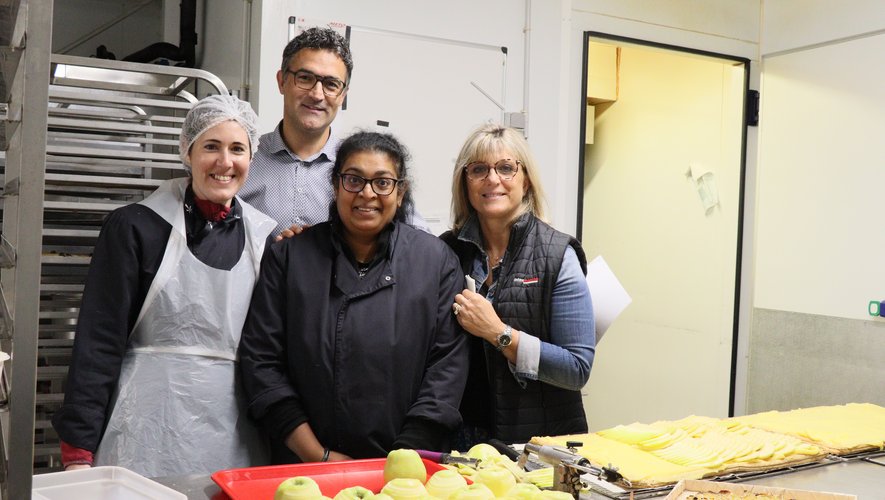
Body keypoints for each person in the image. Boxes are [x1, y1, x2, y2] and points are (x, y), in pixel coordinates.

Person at [51, 94, 275, 476]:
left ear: (251, 158)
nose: (225, 162)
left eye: (238, 148)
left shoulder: (265, 237)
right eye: (211, 147)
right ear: (187, 152)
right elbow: (99, 340)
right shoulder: (136, 227)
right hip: (144, 430)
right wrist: (78, 448)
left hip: (235, 438)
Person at [239, 131, 468, 463]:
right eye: (354, 180)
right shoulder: (289, 257)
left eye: (382, 182)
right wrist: (317, 455)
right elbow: (261, 362)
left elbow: (447, 368)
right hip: (302, 465)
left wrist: (400, 461)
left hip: (406, 471)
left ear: (400, 192)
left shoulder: (436, 262)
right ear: (334, 185)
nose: (367, 194)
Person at [440, 124, 596, 448]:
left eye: (506, 168)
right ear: (465, 181)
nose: (492, 179)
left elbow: (577, 368)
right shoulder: (447, 251)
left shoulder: (557, 254)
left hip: (538, 444)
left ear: (525, 180)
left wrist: (499, 333)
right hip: (460, 439)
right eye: (479, 169)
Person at [239, 26, 429, 237]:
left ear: (343, 94)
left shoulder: (360, 166)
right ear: (281, 81)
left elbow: (420, 240)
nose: (317, 94)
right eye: (305, 78)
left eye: (331, 84)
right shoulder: (243, 160)